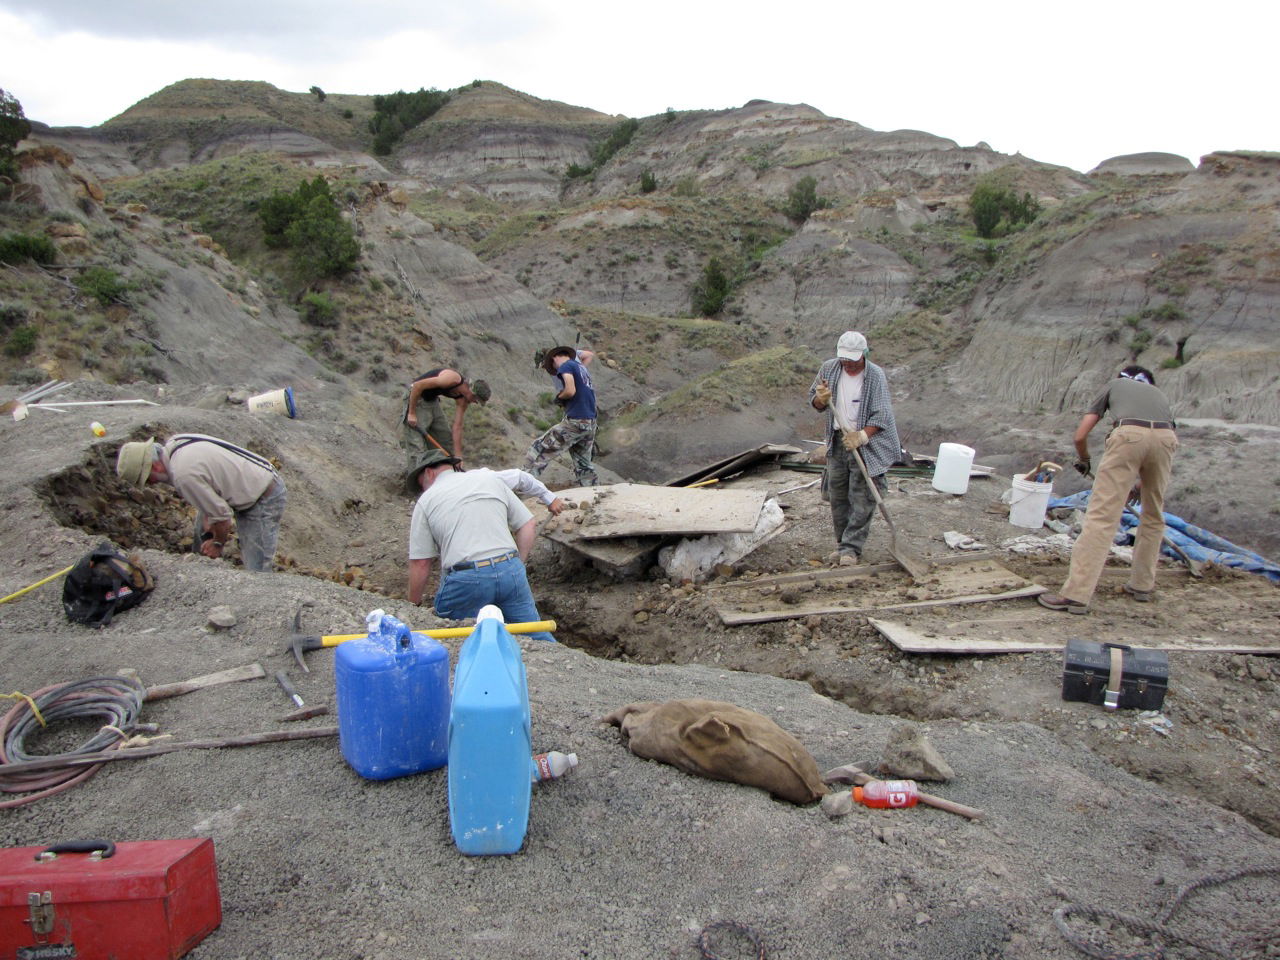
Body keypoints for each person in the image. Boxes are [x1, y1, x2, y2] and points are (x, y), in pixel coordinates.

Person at [1039, 365, 1178, 614]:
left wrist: (1084, 459)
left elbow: (1080, 436)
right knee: (1153, 515)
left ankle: (1076, 594)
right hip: (1166, 441)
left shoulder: (1114, 386)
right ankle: (1142, 586)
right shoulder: (1159, 396)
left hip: (1127, 437)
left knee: (1102, 517)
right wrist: (1140, 483)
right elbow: (1158, 441)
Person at [408, 448, 555, 642]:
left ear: (428, 473)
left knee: (453, 639)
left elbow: (421, 563)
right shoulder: (489, 480)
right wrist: (518, 564)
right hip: (510, 570)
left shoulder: (426, 500)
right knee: (534, 635)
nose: (423, 490)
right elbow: (528, 524)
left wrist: (412, 606)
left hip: (467, 579)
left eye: (421, 485)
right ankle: (564, 667)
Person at [116, 433, 287, 572]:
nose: (151, 484)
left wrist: (218, 543)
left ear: (155, 467)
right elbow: (208, 479)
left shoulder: (184, 475)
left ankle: (261, 600)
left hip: (262, 495)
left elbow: (223, 519)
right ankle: (200, 567)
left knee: (257, 567)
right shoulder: (176, 443)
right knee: (202, 527)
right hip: (244, 483)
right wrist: (207, 513)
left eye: (148, 480)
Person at [808, 331, 901, 566]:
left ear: (864, 355)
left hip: (865, 441)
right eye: (844, 359)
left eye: (853, 359)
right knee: (838, 496)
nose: (848, 364)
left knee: (862, 497)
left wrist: (861, 436)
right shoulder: (829, 368)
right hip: (838, 440)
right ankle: (842, 545)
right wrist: (821, 397)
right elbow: (816, 403)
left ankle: (852, 548)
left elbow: (882, 415)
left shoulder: (875, 376)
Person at [523, 345, 599, 486]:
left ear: (554, 358)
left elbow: (570, 390)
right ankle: (593, 494)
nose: (553, 370)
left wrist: (560, 397)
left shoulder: (565, 366)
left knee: (539, 449)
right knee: (583, 464)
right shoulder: (580, 367)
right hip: (590, 421)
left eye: (550, 366)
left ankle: (519, 490)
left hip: (576, 420)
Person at [400, 367, 490, 472]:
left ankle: (446, 473)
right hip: (415, 397)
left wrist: (458, 456)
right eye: (476, 399)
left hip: (432, 401)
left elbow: (457, 426)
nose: (475, 402)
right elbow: (417, 386)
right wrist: (411, 413)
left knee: (446, 441)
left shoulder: (463, 400)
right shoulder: (451, 379)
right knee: (416, 447)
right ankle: (416, 481)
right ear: (471, 391)